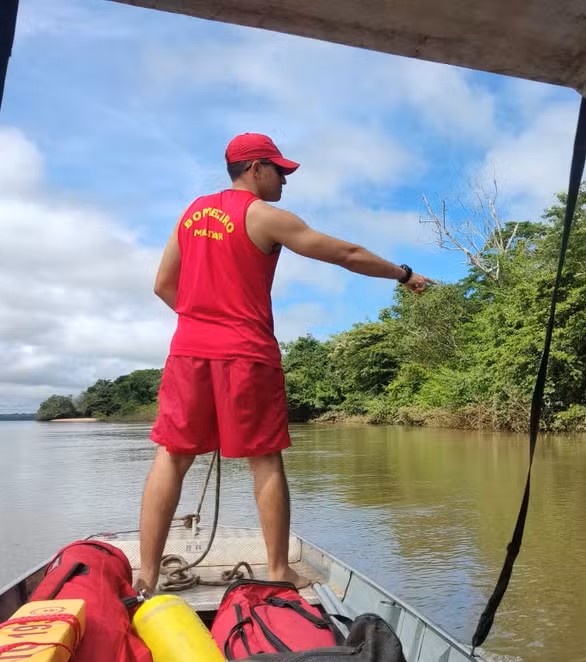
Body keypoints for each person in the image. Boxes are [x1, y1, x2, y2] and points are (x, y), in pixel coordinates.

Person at [135, 132, 432, 593]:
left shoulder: (190, 215)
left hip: (188, 350)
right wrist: (405, 274)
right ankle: (278, 570)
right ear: (255, 168)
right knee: (265, 461)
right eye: (280, 171)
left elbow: (163, 285)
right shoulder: (265, 216)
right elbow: (347, 255)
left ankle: (146, 577)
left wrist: (202, 321)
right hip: (246, 354)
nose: (285, 181)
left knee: (171, 457)